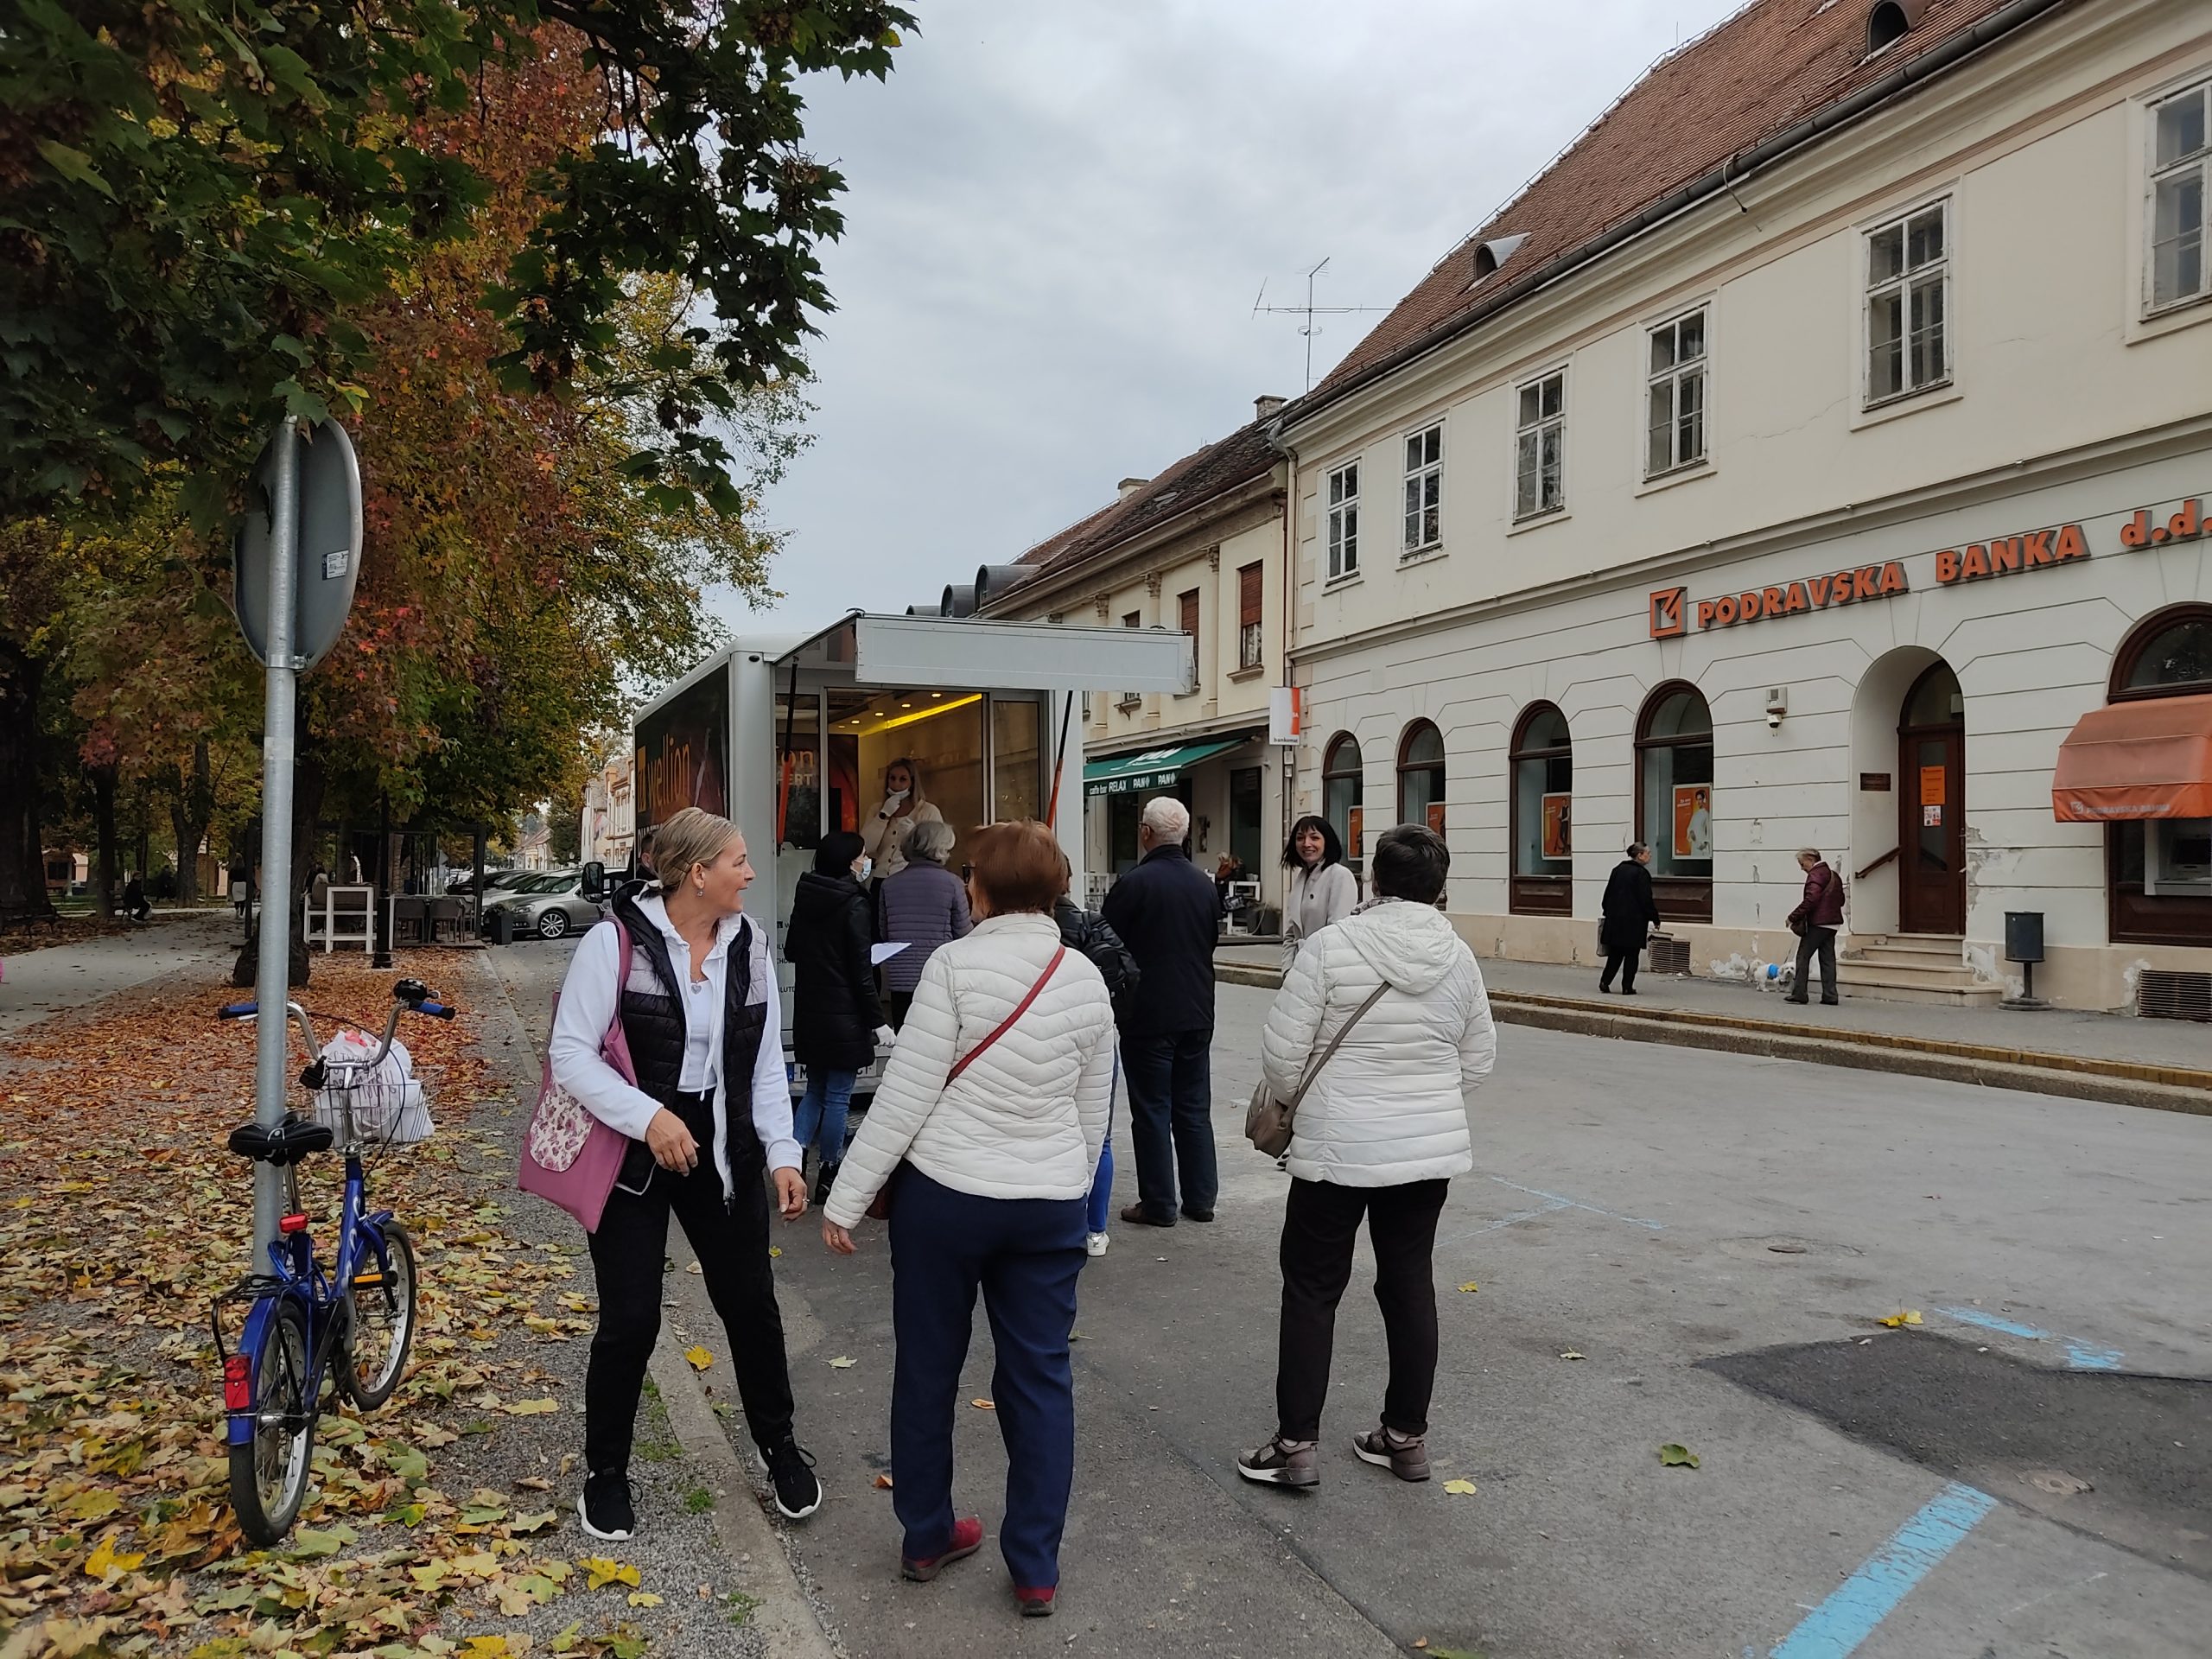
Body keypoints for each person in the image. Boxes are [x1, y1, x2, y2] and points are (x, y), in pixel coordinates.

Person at [820, 820, 1115, 1620]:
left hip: (944, 1197)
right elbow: (1095, 1112)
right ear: (1054, 890)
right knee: (1041, 1381)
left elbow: (908, 1095)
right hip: (1045, 1205)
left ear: (978, 888)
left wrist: (846, 1197)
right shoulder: (1085, 978)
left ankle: (926, 1533)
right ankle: (1035, 1566)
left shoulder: (954, 966)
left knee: (927, 1368)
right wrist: (1077, 1197)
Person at [547, 806, 821, 1541]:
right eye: (738, 860)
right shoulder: (613, 943)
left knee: (752, 1307)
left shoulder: (750, 944)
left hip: (721, 1147)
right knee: (631, 1320)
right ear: (698, 874)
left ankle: (780, 1449)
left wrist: (783, 1152)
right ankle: (606, 1473)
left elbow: (762, 1063)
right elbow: (570, 1055)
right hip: (635, 1146)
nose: (752, 873)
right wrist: (650, 1118)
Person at [1237, 823, 1495, 1491]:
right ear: (1440, 888)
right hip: (1425, 1152)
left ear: (1375, 880)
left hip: (1337, 1148)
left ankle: (1296, 1445)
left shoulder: (1330, 948)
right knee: (1409, 1283)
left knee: (1313, 1288)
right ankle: (1405, 1437)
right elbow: (1478, 1058)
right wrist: (1423, 1103)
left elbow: (1283, 1057)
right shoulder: (1460, 958)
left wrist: (1308, 1105)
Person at [1101, 797, 1221, 1228]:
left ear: (1146, 832)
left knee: (1152, 1107)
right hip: (1196, 1009)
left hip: (1147, 1013)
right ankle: (1201, 1198)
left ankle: (1159, 1203)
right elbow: (1209, 943)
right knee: (1193, 1106)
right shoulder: (1205, 884)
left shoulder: (1133, 884)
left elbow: (1109, 949)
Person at [785, 830, 891, 1204]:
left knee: (814, 1090)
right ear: (850, 861)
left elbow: (793, 948)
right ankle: (829, 1172)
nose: (867, 863)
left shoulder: (806, 893)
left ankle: (793, 1162)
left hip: (811, 1008)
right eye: (863, 856)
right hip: (845, 1012)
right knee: (838, 1097)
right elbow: (861, 970)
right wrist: (878, 1021)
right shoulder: (855, 904)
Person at [1054, 854, 1140, 1258]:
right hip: (1094, 1037)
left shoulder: (1010, 932)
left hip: (1043, 1039)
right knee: (1099, 1136)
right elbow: (1129, 973)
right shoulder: (1092, 923)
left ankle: (1055, 1221)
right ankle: (1095, 1228)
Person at [875, 820, 972, 1027]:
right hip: (939, 977)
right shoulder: (953, 883)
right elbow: (964, 935)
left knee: (905, 1038)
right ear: (941, 848)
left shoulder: (889, 884)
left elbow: (884, 933)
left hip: (900, 979)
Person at [1281, 814, 1357, 969]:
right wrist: (1287, 969)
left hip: (1324, 970)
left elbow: (1338, 932)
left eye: (1314, 838)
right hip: (1298, 970)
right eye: (1300, 838)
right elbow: (1291, 933)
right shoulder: (1301, 878)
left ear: (1327, 842)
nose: (1306, 844)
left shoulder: (1339, 875)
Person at [860, 757, 943, 882]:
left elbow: (937, 852)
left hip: (913, 879)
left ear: (912, 783)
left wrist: (913, 836)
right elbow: (866, 847)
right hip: (881, 878)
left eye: (903, 779)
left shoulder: (928, 811)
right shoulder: (876, 809)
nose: (896, 784)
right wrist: (883, 816)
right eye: (892, 778)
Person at [1598, 842, 1662, 994]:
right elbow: (1646, 899)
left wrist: (1609, 913)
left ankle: (1605, 982)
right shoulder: (1641, 874)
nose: (1650, 856)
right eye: (1648, 853)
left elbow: (1607, 896)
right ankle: (1627, 987)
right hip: (1634, 922)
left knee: (1615, 954)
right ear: (1639, 855)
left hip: (1615, 921)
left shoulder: (1617, 870)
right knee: (1632, 956)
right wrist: (1655, 918)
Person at [1786, 848, 1846, 1007]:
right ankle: (1830, 995)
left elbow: (1811, 899)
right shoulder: (1834, 875)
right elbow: (1841, 900)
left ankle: (1799, 993)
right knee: (1827, 959)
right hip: (1833, 924)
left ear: (1810, 859)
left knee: (1803, 956)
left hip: (1818, 923)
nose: (1802, 868)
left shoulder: (1815, 875)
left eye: (1802, 863)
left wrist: (1793, 917)